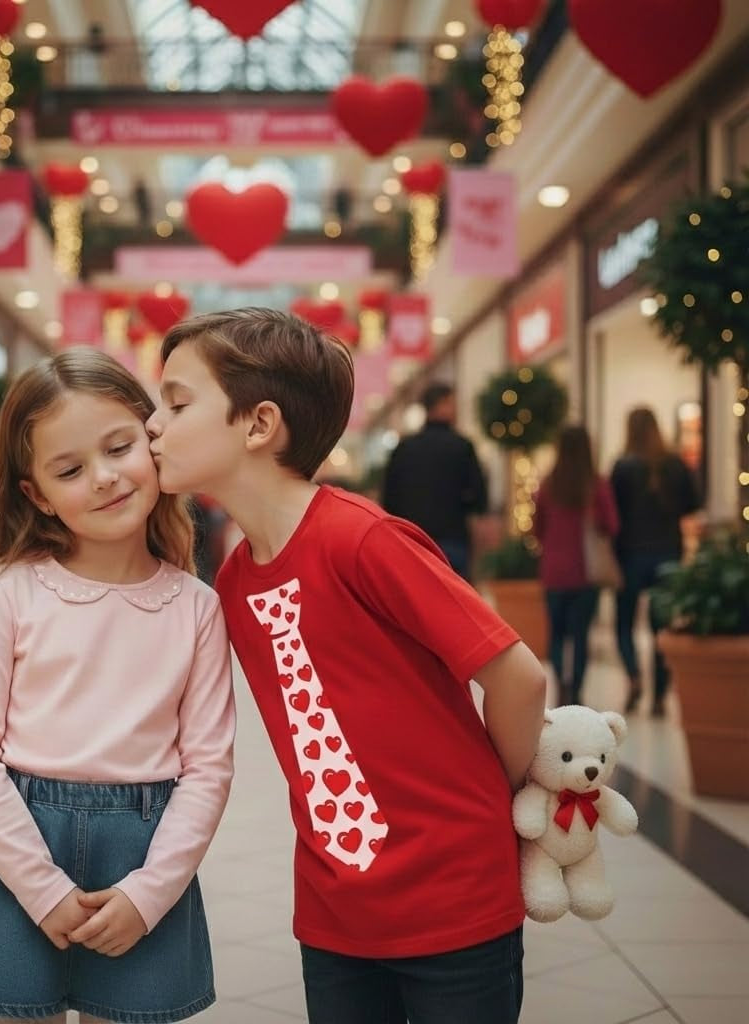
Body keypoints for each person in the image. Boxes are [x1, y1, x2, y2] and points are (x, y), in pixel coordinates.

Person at [147, 308, 546, 1024]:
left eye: (177, 404)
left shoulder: (362, 540)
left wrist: (497, 807)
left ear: (259, 424)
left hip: (453, 893)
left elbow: (517, 676)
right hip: (336, 906)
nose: (154, 425)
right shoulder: (233, 581)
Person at [0, 349, 235, 1024]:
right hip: (16, 849)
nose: (104, 477)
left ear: (152, 439)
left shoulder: (197, 607)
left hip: (145, 856)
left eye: (119, 448)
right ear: (37, 494)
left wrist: (149, 894)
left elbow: (208, 768)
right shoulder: (8, 593)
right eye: (69, 470)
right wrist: (41, 888)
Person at [610, 406, 700, 716]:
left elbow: (612, 516)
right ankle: (659, 696)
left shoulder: (622, 467)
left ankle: (634, 675)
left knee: (623, 623)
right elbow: (692, 504)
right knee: (661, 627)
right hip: (667, 553)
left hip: (630, 554)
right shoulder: (674, 464)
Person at [533, 425, 619, 706]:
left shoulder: (549, 484)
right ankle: (577, 688)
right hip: (585, 573)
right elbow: (612, 525)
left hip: (554, 572)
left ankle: (561, 682)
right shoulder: (595, 485)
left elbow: (537, 528)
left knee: (557, 634)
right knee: (580, 635)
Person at [380, 381, 488, 580]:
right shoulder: (461, 446)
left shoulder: (404, 448)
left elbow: (389, 498)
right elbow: (479, 496)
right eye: (452, 403)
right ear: (442, 404)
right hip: (452, 539)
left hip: (411, 540)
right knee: (454, 595)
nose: (456, 410)